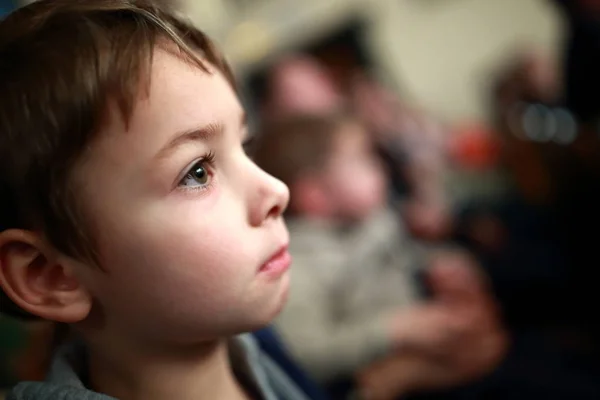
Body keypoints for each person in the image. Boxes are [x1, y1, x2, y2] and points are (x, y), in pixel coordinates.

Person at [0, 1, 310, 399]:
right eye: (197, 171)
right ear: (50, 275)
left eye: (245, 146)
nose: (277, 191)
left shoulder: (255, 347)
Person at [252, 113, 507, 399]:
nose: (380, 168)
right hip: (368, 371)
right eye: (362, 160)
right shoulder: (298, 264)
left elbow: (405, 256)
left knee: (491, 338)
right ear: (316, 195)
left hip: (425, 334)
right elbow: (307, 351)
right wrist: (393, 330)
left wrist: (437, 263)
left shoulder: (375, 220)